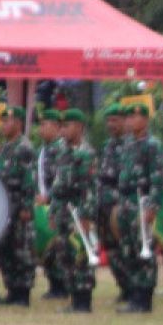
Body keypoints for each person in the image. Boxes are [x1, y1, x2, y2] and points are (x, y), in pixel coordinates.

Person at [115, 103, 163, 313]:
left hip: (142, 201)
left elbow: (157, 179)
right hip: (126, 201)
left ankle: (145, 296)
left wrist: (152, 206)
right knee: (129, 250)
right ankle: (134, 292)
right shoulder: (127, 144)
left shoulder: (151, 145)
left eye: (134, 117)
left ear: (145, 120)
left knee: (143, 249)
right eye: (128, 118)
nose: (129, 122)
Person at [51, 108, 99, 313]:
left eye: (67, 126)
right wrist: (53, 210)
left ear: (79, 127)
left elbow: (90, 187)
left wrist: (87, 215)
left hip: (79, 210)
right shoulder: (61, 152)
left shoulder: (86, 154)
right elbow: (56, 183)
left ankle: (83, 300)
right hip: (63, 209)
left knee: (80, 255)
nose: (63, 131)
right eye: (61, 126)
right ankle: (73, 297)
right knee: (65, 254)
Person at [0, 107, 38, 306]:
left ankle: (22, 293)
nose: (4, 125)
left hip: (19, 206)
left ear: (19, 123)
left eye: (8, 121)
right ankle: (11, 289)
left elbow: (29, 179)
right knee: (5, 250)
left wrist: (27, 206)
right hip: (4, 206)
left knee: (21, 249)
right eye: (3, 121)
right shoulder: (5, 148)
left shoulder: (24, 148)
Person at [97, 104, 132, 303]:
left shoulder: (131, 145)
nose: (111, 125)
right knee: (111, 249)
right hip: (104, 206)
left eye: (115, 120)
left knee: (125, 247)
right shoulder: (108, 146)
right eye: (109, 121)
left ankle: (134, 287)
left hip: (121, 206)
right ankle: (123, 286)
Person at [34, 108, 69, 299]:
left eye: (45, 125)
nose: (41, 129)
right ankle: (54, 283)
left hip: (58, 204)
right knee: (47, 248)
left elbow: (61, 178)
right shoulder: (43, 149)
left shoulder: (61, 149)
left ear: (56, 127)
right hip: (43, 205)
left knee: (58, 247)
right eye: (40, 125)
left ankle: (62, 285)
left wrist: (48, 196)